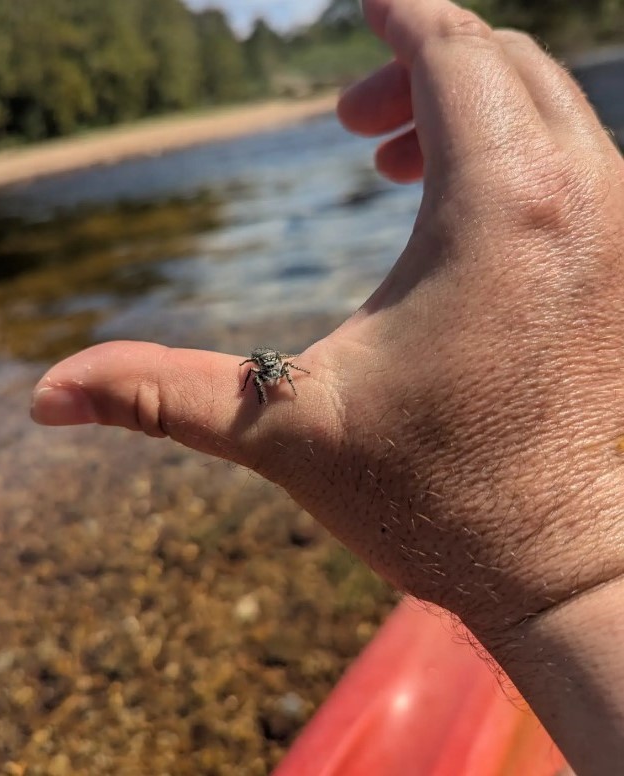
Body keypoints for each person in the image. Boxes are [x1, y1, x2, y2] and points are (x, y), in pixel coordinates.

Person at [31, 0, 624, 771]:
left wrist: (573, 586)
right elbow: (268, 374)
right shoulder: (268, 370)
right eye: (268, 365)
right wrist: (575, 581)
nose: (268, 367)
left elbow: (275, 372)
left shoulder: (273, 368)